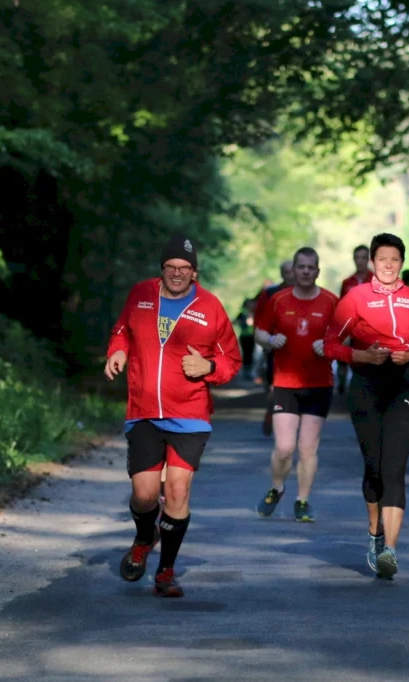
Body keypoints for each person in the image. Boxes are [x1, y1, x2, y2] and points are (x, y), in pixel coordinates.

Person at [105, 233, 242, 597]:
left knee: (178, 490)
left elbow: (232, 359)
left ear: (194, 272)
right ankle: (143, 537)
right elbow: (121, 330)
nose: (177, 273)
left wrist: (208, 366)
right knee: (144, 495)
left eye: (185, 268)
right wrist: (117, 349)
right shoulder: (141, 295)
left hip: (189, 414)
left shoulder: (210, 307)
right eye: (171, 267)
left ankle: (165, 571)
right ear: (161, 269)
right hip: (144, 411)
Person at [323, 233, 409, 579]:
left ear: (402, 263)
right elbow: (330, 344)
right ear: (372, 262)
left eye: (394, 259)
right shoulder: (355, 298)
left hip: (402, 386)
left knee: (395, 469)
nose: (388, 265)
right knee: (375, 468)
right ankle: (375, 533)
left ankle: (390, 551)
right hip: (367, 385)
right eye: (382, 259)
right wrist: (362, 356)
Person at [253, 247, 339, 522]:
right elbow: (259, 332)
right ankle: (277, 488)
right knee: (284, 447)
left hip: (319, 384)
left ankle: (302, 501)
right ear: (293, 270)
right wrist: (269, 341)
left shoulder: (331, 301)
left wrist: (329, 345)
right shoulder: (278, 300)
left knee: (307, 448)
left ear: (317, 271)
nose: (305, 272)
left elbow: (346, 336)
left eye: (310, 267)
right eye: (301, 267)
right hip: (285, 383)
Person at [254, 260, 296, 434]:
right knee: (275, 386)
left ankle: (291, 420)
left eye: (291, 271)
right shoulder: (270, 293)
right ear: (281, 273)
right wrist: (267, 340)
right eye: (286, 271)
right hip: (274, 347)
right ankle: (272, 411)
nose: (289, 275)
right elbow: (259, 321)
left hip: (298, 349)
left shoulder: (305, 292)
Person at [337, 245, 372, 397]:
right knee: (343, 360)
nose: (360, 261)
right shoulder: (347, 282)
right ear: (353, 259)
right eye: (357, 257)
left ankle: (366, 393)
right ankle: (341, 388)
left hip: (369, 331)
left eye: (363, 257)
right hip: (350, 329)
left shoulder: (376, 280)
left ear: (369, 259)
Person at [235, 298, 257, 380]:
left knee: (250, 354)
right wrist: (244, 322)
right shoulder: (243, 313)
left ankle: (249, 371)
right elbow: (236, 321)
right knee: (246, 354)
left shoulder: (253, 312)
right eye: (249, 304)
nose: (251, 305)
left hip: (252, 336)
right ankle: (246, 371)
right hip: (245, 336)